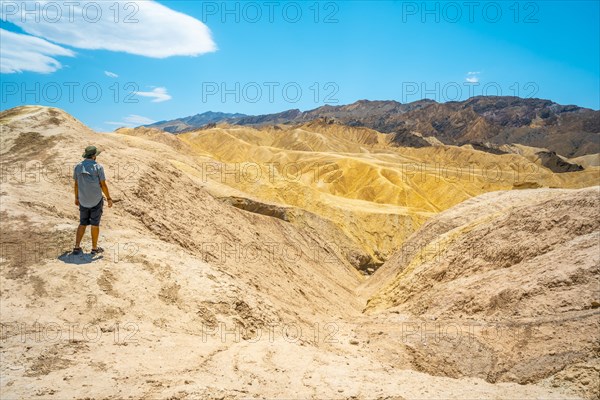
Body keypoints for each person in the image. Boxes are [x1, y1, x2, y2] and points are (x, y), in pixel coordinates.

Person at [72, 146, 113, 255]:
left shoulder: (77, 167)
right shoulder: (98, 167)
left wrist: (76, 198)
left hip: (83, 200)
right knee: (95, 224)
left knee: (82, 223)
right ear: (94, 156)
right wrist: (108, 198)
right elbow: (103, 184)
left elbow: (76, 184)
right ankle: (94, 248)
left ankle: (77, 246)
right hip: (96, 200)